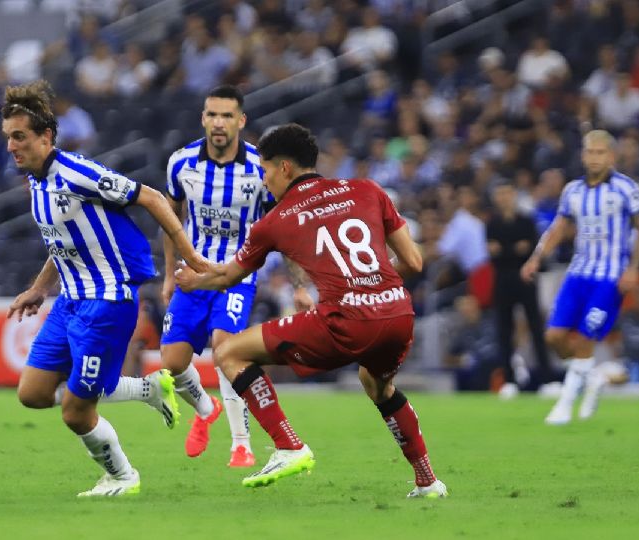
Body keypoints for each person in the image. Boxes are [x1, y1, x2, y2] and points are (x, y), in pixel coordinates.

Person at [176, 123, 447, 498]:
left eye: (266, 170)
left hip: (347, 321)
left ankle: (288, 445)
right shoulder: (367, 189)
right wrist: (372, 287)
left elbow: (226, 276)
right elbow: (414, 261)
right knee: (378, 385)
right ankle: (428, 481)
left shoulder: (275, 220)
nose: (263, 180)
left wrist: (192, 279)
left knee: (229, 352)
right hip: (397, 314)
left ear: (285, 168)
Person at [3, 80, 208, 497]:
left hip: (107, 302)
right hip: (69, 303)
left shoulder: (79, 173)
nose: (11, 146)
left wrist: (191, 256)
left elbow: (151, 198)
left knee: (76, 412)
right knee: (33, 393)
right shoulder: (36, 183)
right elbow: (64, 242)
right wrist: (39, 289)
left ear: (46, 137)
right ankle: (147, 388)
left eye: (19, 137)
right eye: (8, 138)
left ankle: (122, 477)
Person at [114, 85, 309, 467]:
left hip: (236, 274)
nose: (218, 123)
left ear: (241, 121)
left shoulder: (259, 167)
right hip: (193, 274)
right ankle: (206, 409)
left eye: (226, 116)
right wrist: (170, 277)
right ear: (204, 119)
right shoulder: (181, 163)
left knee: (225, 349)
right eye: (212, 115)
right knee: (171, 361)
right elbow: (170, 222)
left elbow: (282, 227)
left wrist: (300, 286)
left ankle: (242, 444)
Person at [521, 130, 639, 425]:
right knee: (554, 337)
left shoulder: (625, 188)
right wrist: (536, 257)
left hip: (610, 276)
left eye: (600, 153)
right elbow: (559, 228)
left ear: (611, 156)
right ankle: (592, 378)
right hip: (578, 274)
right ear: (583, 155)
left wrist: (633, 267)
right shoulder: (573, 191)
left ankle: (565, 405)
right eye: (590, 152)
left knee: (583, 339)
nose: (594, 158)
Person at [486, 181, 552, 397]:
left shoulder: (526, 221)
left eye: (506, 192)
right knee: (504, 331)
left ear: (513, 194)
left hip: (525, 278)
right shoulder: (492, 223)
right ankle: (509, 381)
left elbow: (530, 249)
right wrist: (514, 249)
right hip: (503, 280)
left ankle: (546, 379)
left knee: (535, 328)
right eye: (500, 194)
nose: (503, 197)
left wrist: (505, 250)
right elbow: (494, 253)